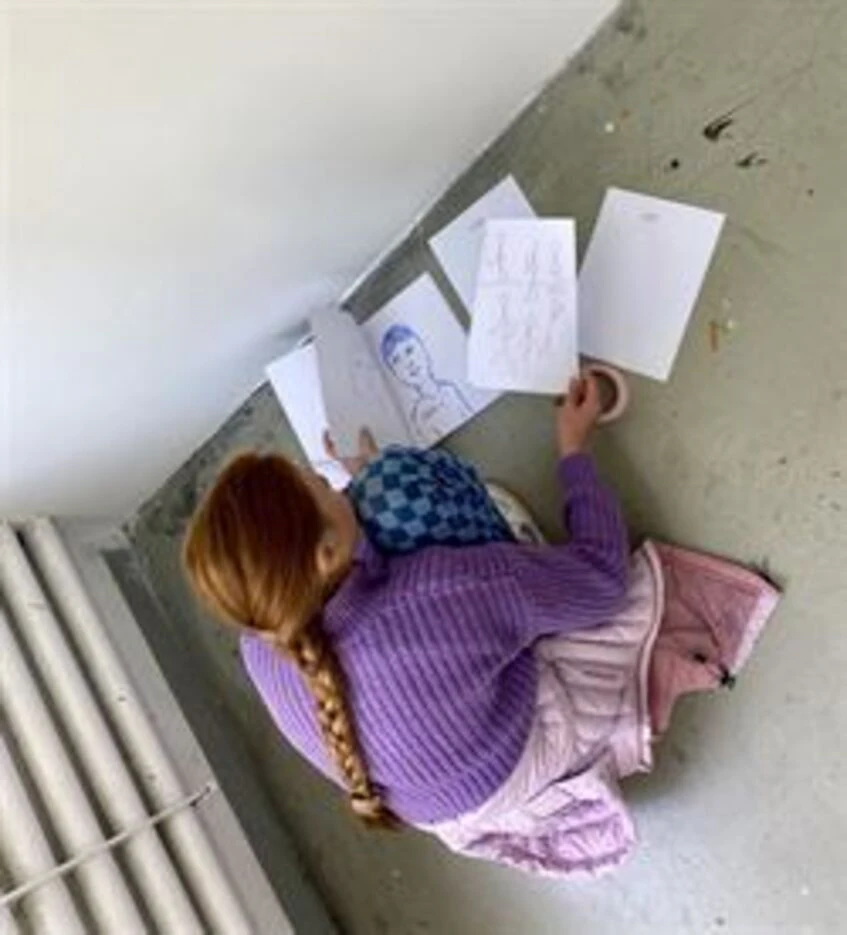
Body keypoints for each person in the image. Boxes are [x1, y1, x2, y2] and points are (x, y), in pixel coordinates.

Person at [183, 373, 780, 875]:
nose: (322, 477)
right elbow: (601, 580)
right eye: (315, 485)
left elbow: (358, 599)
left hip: (444, 814)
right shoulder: (444, 593)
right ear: (325, 555)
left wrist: (352, 488)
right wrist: (574, 450)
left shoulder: (258, 641)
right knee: (599, 605)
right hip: (521, 762)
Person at [379, 324, 472, 444]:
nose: (408, 363)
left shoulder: (449, 390)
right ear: (395, 373)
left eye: (409, 351)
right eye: (397, 361)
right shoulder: (419, 415)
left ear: (423, 348)